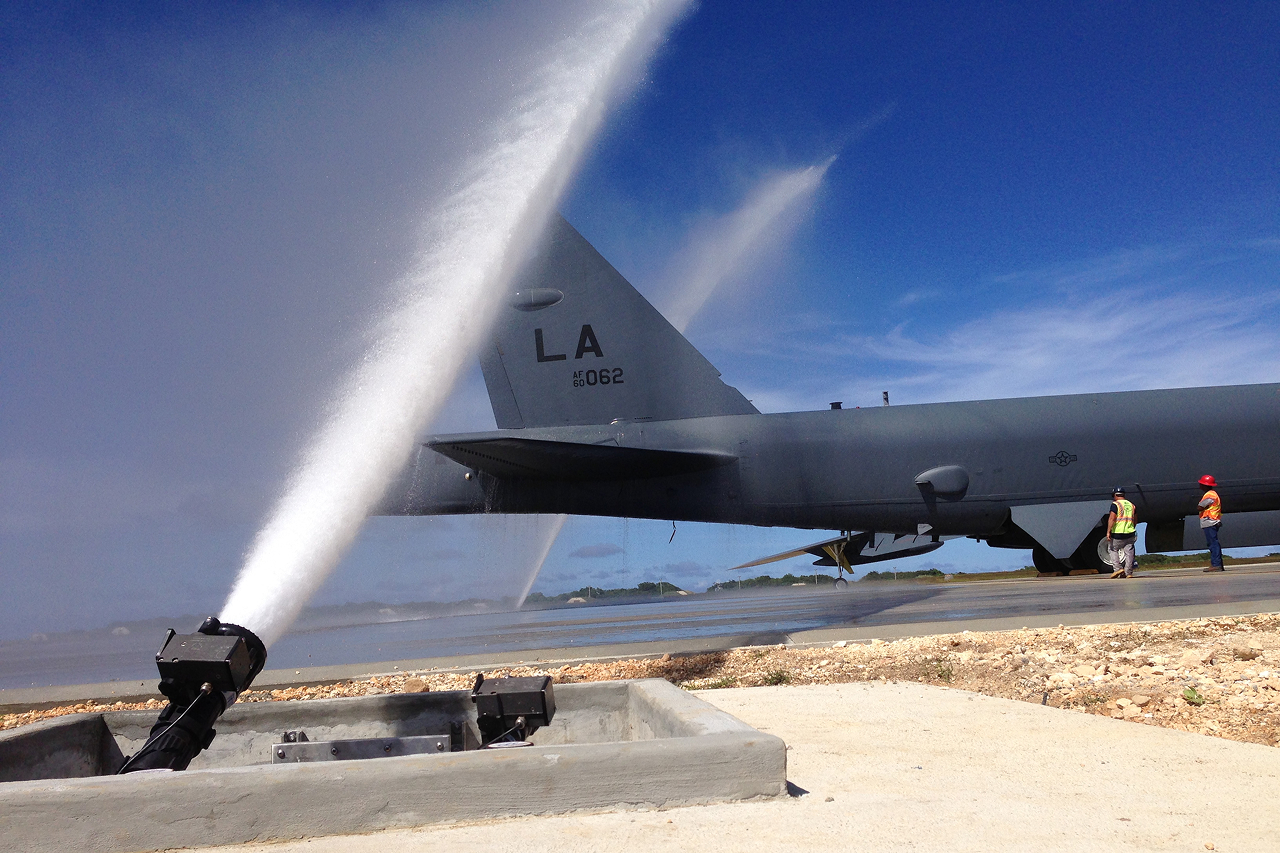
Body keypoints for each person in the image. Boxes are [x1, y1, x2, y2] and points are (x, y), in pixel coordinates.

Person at [1106, 487, 1137, 578]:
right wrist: (1131, 528)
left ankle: (1118, 569)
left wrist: (1108, 531)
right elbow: (1135, 519)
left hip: (1118, 533)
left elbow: (1112, 518)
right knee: (1129, 552)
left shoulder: (1115, 504)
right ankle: (1128, 573)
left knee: (1112, 549)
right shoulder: (1132, 505)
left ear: (1115, 495)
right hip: (1130, 532)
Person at [1198, 475, 1224, 572]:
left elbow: (1200, 506)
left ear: (1205, 485)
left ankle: (1216, 565)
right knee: (1214, 543)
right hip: (1212, 521)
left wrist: (1200, 507)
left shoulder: (1210, 495)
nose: (1199, 485)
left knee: (1213, 544)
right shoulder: (1213, 494)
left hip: (1209, 521)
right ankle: (1219, 565)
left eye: (1201, 483)